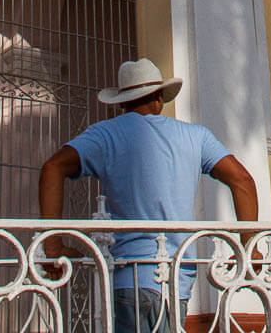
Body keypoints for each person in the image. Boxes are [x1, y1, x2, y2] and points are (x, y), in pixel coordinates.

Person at [39, 58, 259, 333]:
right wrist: (250, 247)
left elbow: (52, 168)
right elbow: (244, 181)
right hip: (177, 280)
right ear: (159, 97)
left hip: (129, 277)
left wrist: (53, 246)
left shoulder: (104, 135)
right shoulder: (196, 136)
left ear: (121, 102)